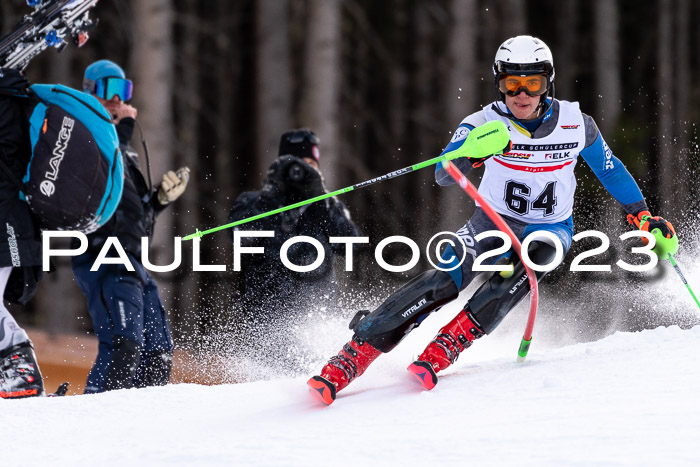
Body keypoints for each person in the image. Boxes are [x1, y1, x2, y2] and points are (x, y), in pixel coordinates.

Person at [307, 35, 678, 405]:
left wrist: (642, 213)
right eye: (511, 84)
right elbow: (442, 172)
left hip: (550, 228)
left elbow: (609, 170)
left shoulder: (576, 124)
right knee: (443, 280)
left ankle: (450, 342)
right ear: (499, 83)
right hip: (491, 222)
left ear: (548, 83)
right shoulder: (484, 121)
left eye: (533, 83)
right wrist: (475, 153)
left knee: (529, 264)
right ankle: (355, 354)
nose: (522, 94)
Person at [72, 60, 189, 393]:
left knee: (158, 353)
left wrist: (159, 201)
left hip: (132, 260)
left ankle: (139, 427)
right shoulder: (84, 135)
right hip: (103, 257)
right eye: (109, 89)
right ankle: (92, 420)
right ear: (90, 92)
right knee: (124, 346)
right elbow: (93, 182)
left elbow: (131, 218)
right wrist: (120, 133)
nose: (117, 100)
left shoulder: (125, 154)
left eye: (123, 91)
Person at [228, 129, 361, 355]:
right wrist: (270, 198)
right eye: (297, 164)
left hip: (315, 317)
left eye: (311, 164)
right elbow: (240, 235)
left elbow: (352, 246)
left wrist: (321, 203)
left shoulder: (328, 205)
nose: (305, 170)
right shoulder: (253, 201)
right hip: (263, 323)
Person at [0, 68, 45, 398]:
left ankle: (21, 375)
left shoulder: (9, 106)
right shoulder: (16, 102)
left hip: (8, 221)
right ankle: (21, 375)